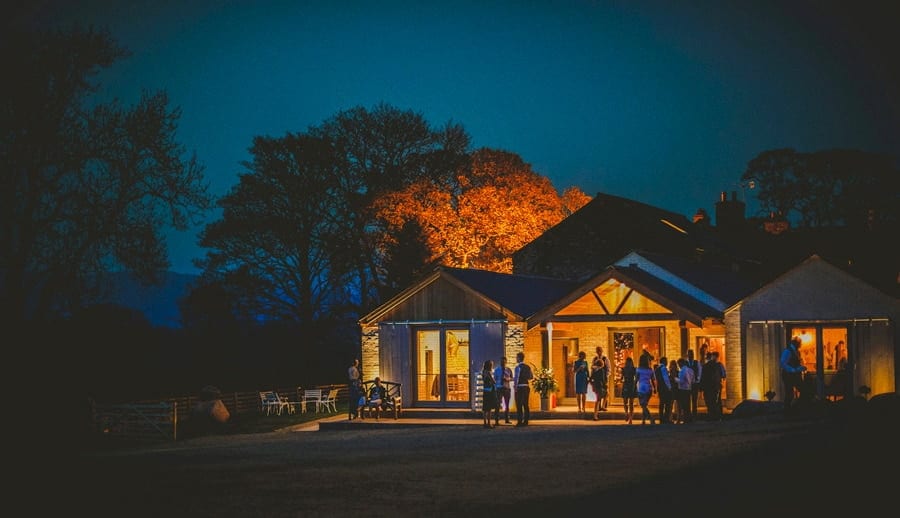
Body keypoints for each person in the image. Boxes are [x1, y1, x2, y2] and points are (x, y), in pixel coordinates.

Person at [780, 336, 807, 414]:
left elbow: (794, 363)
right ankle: (788, 410)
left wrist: (800, 367)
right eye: (800, 343)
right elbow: (783, 363)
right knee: (790, 393)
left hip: (794, 375)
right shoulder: (788, 351)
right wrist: (794, 370)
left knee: (801, 390)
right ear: (796, 343)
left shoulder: (796, 351)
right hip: (788, 375)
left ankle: (793, 408)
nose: (801, 345)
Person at [702, 351, 725, 421]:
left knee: (714, 401)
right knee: (714, 401)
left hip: (714, 386)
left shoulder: (717, 365)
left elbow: (723, 375)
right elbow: (723, 375)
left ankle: (715, 415)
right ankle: (716, 416)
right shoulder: (713, 365)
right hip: (713, 386)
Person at [513, 351, 534, 427]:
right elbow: (531, 377)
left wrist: (515, 388)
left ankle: (519, 421)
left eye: (516, 357)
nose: (516, 359)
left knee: (519, 404)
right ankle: (526, 421)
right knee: (525, 404)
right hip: (526, 386)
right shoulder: (528, 367)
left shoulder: (517, 367)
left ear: (519, 358)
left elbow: (516, 378)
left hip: (520, 387)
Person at [636, 353, 656, 424]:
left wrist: (634, 387)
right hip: (648, 388)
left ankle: (650, 418)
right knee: (644, 404)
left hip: (641, 388)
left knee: (643, 405)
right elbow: (653, 380)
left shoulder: (638, 370)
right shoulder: (650, 370)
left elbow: (636, 379)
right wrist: (654, 388)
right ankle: (643, 420)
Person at [493, 356, 513, 425]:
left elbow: (512, 378)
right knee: (497, 404)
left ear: (506, 362)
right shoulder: (497, 370)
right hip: (499, 388)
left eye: (504, 362)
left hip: (506, 388)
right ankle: (496, 420)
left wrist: (507, 379)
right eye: (502, 361)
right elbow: (494, 378)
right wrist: (497, 384)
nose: (503, 363)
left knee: (507, 404)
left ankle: (507, 419)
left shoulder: (508, 369)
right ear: (500, 362)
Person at [675, 357, 695, 424]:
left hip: (683, 389)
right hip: (689, 389)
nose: (678, 366)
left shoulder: (682, 371)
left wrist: (675, 379)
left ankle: (686, 419)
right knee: (688, 405)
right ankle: (688, 418)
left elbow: (681, 381)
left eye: (679, 364)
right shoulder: (690, 370)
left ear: (681, 363)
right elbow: (693, 380)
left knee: (684, 405)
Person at [654, 356, 673, 424]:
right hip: (665, 388)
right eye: (666, 361)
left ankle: (661, 418)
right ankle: (666, 418)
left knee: (661, 403)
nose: (667, 362)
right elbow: (666, 379)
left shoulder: (657, 369)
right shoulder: (663, 368)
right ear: (664, 361)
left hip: (660, 388)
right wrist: (670, 387)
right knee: (667, 403)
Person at [589, 353, 608, 420]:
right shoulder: (601, 370)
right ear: (602, 364)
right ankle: (595, 415)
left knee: (603, 396)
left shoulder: (594, 370)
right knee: (598, 400)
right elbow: (602, 379)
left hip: (596, 386)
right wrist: (605, 385)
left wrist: (592, 385)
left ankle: (602, 407)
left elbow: (590, 379)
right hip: (600, 386)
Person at [481, 360, 498, 428]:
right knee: (489, 408)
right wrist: (495, 380)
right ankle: (488, 423)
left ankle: (485, 423)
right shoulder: (488, 372)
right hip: (489, 391)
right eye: (491, 364)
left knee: (485, 408)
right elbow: (493, 381)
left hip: (485, 390)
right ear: (489, 366)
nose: (492, 366)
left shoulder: (483, 372)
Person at [686, 348, 702, 420]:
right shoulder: (685, 363)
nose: (690, 356)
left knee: (694, 400)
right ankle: (688, 414)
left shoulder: (696, 362)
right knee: (687, 400)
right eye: (689, 354)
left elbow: (700, 371)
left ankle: (694, 415)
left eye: (691, 354)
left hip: (695, 384)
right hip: (687, 384)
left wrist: (698, 379)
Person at [620, 356, 637, 424]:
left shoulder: (627, 369)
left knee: (627, 402)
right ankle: (629, 416)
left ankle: (628, 415)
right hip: (630, 384)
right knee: (629, 402)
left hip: (628, 385)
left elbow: (622, 378)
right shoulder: (631, 369)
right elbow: (636, 378)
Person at [573, 351, 589, 416]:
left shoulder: (585, 362)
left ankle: (584, 407)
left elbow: (587, 370)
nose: (584, 356)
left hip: (584, 378)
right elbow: (574, 371)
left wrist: (588, 378)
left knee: (584, 393)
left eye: (584, 355)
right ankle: (579, 407)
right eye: (583, 355)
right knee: (578, 393)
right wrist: (579, 368)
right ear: (580, 355)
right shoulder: (576, 362)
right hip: (578, 378)